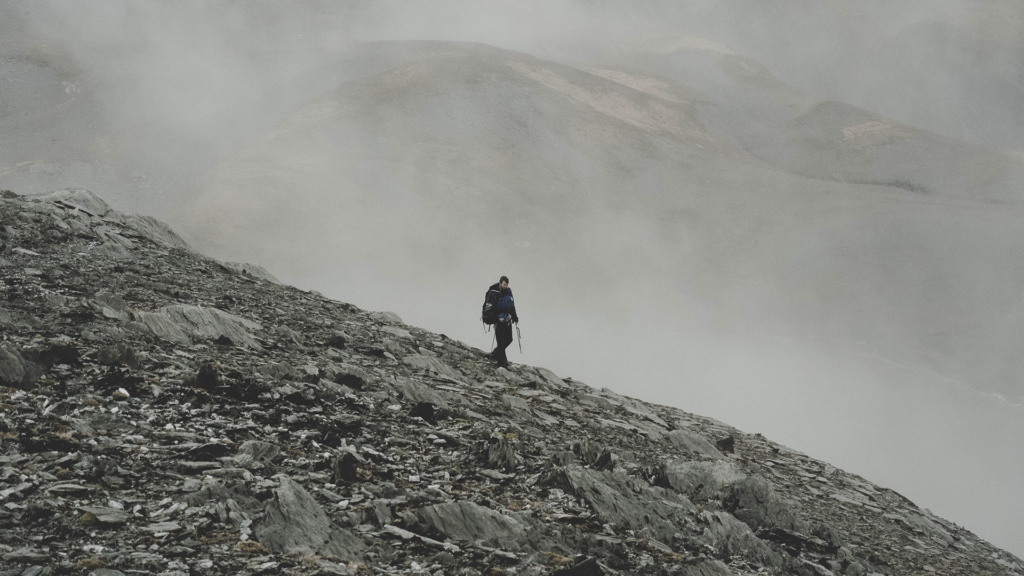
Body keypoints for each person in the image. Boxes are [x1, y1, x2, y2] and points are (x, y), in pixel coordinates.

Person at [485, 276, 518, 368]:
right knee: (501, 342)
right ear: (500, 283)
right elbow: (489, 308)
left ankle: (495, 353)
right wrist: (495, 319)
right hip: (498, 320)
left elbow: (511, 304)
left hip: (507, 319)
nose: (506, 286)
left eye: (507, 285)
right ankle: (502, 365)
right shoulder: (494, 293)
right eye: (504, 284)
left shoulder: (508, 291)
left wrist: (514, 316)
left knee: (509, 339)